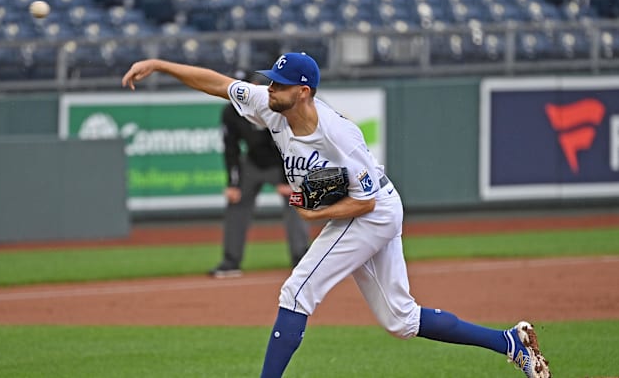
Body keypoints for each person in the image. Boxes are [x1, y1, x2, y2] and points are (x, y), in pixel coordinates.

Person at [121, 53, 551, 378]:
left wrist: (314, 216)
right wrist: (159, 65)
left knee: (296, 291)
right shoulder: (270, 105)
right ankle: (510, 343)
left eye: (279, 85)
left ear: (303, 91)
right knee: (401, 320)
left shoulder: (338, 135)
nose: (269, 89)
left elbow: (365, 203)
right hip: (366, 208)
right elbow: (219, 84)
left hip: (373, 210)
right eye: (270, 82)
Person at [211, 71, 310, 278]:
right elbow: (231, 149)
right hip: (253, 162)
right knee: (236, 203)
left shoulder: (271, 104)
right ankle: (230, 261)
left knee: (296, 202)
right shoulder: (231, 112)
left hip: (281, 161)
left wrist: (286, 179)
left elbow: (289, 142)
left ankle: (302, 260)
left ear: (255, 85)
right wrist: (233, 183)